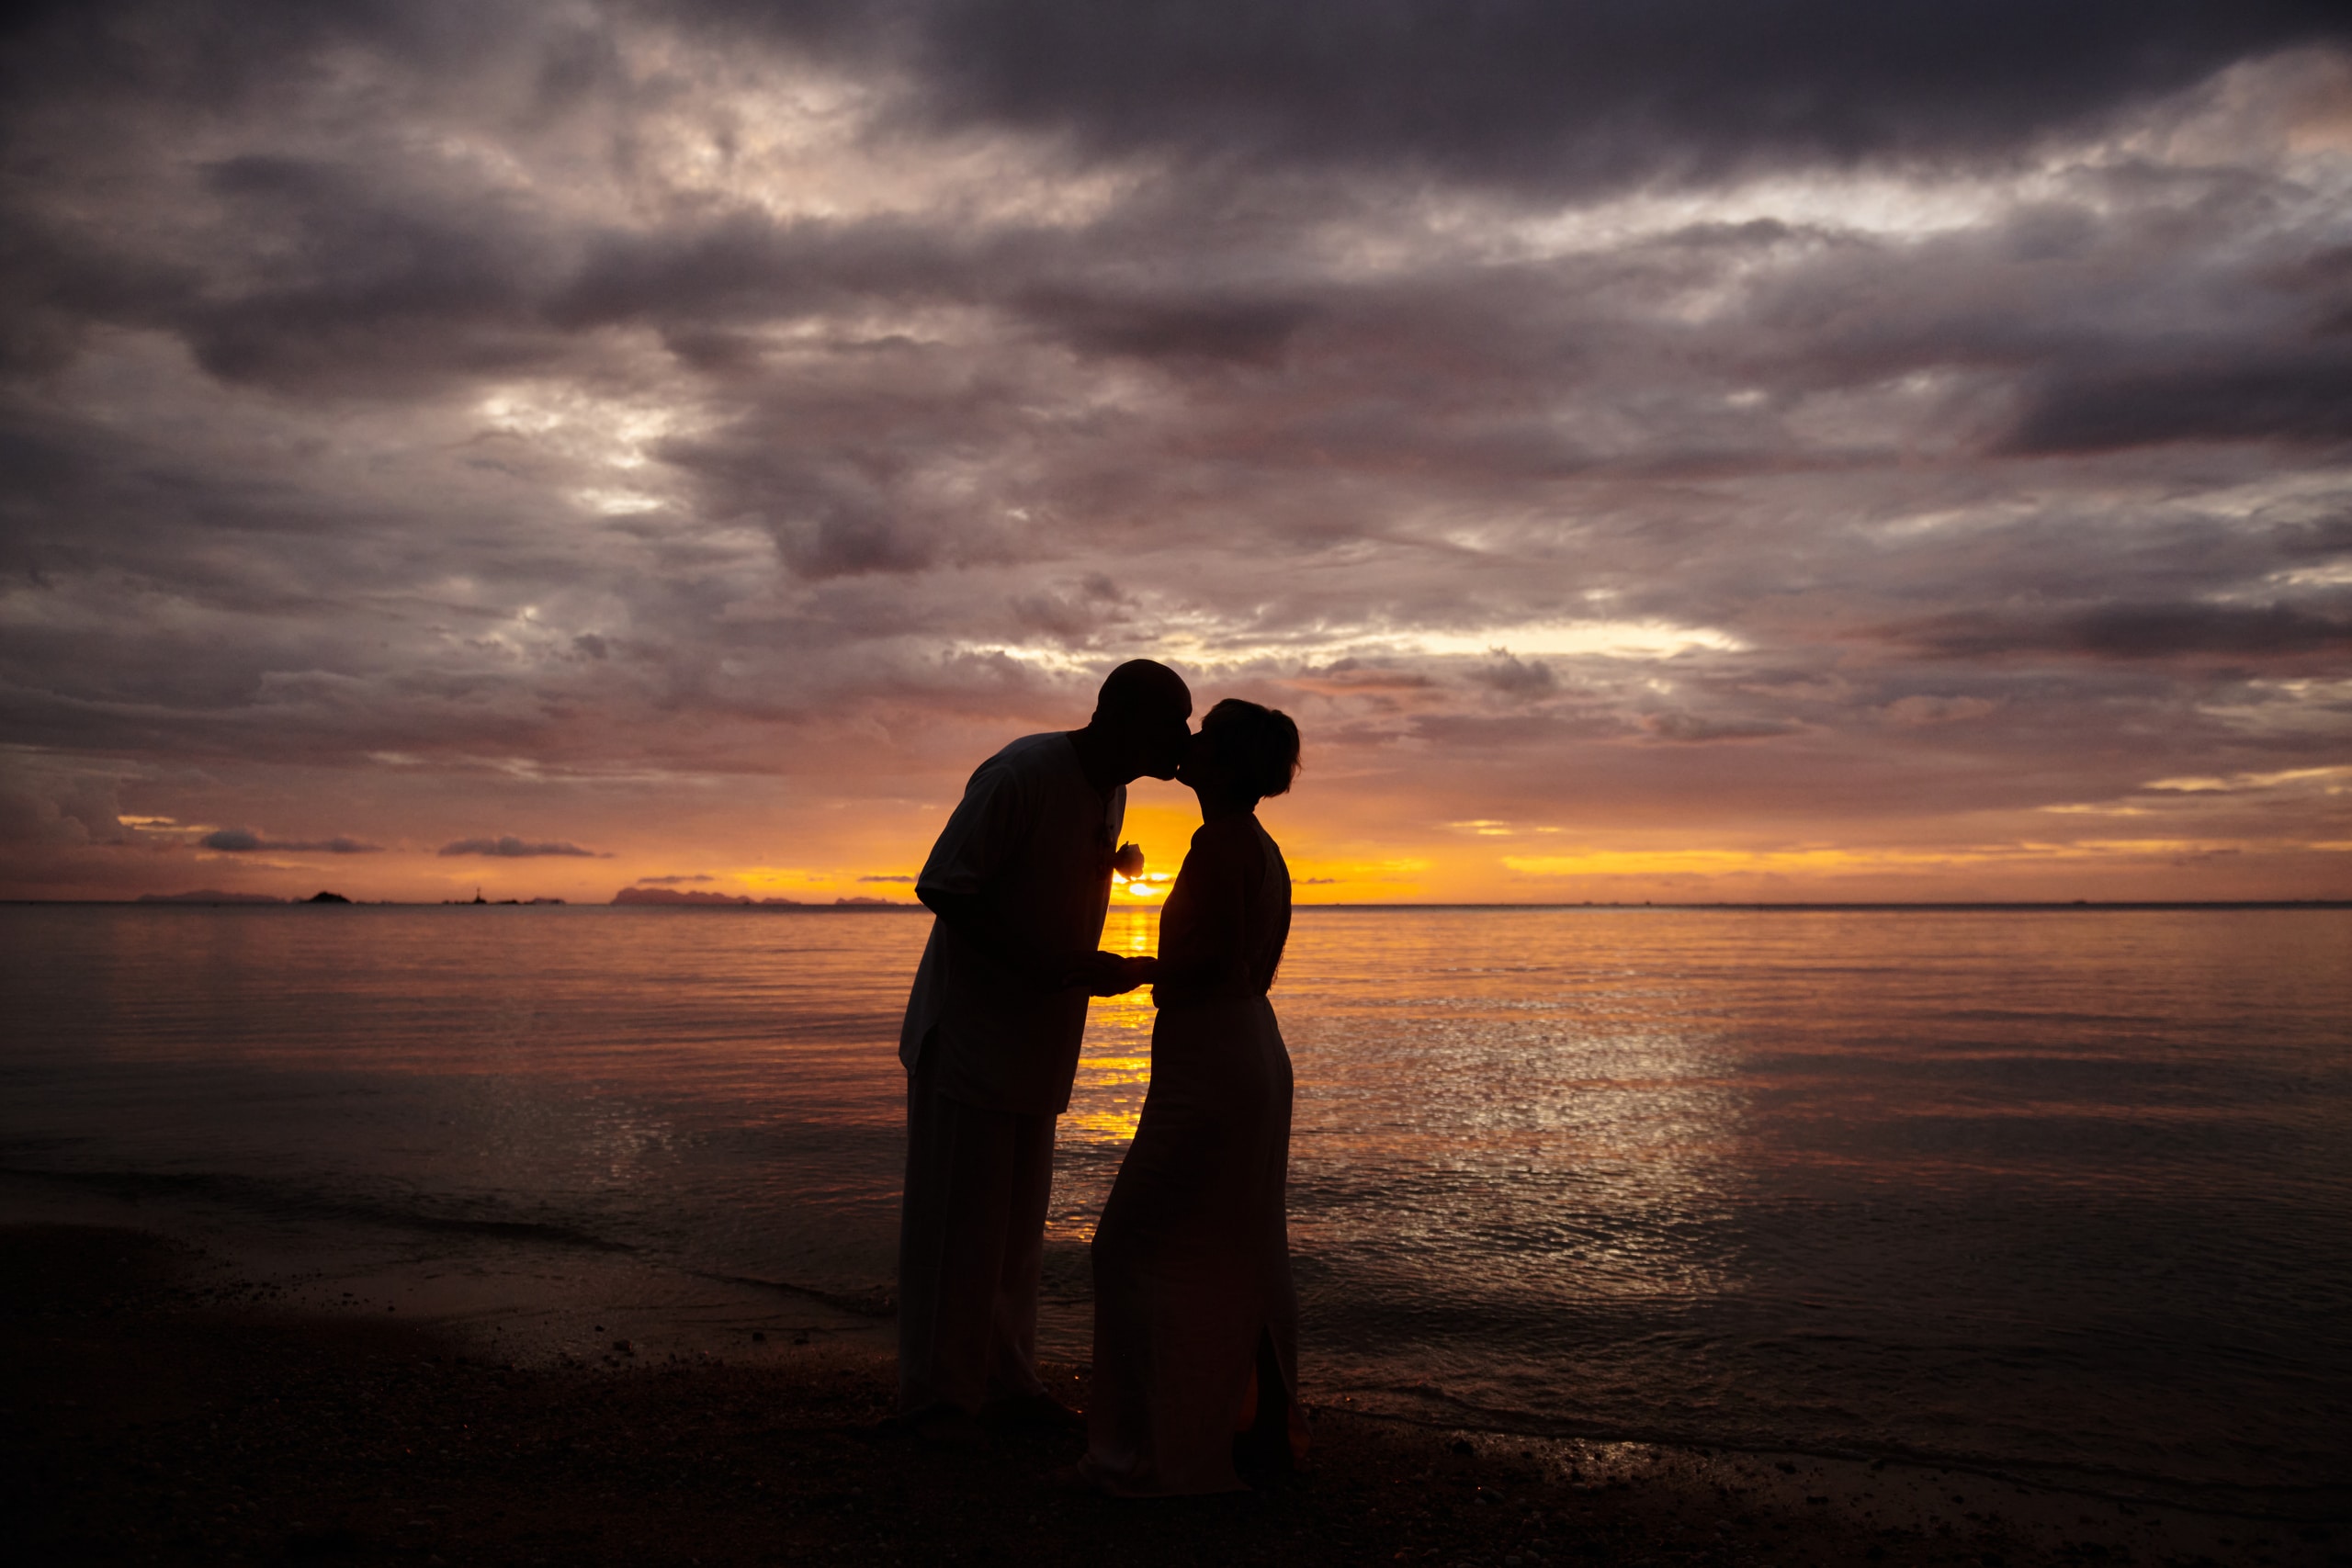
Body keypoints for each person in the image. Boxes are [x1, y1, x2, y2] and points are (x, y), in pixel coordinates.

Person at [895, 660, 1193, 1445]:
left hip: (1038, 1039)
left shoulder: (1110, 790)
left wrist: (1080, 954)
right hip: (968, 1035)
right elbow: (945, 886)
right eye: (1175, 722)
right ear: (1123, 716)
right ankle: (934, 1401)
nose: (1186, 740)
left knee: (1015, 1232)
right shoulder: (1023, 770)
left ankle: (1005, 1382)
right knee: (955, 1226)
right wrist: (1054, 965)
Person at [1081, 697, 1307, 1495]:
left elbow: (1208, 964)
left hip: (1213, 1062)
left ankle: (1159, 1446)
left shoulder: (1219, 846)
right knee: (1245, 1245)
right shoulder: (1261, 849)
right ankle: (1261, 1433)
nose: (1191, 743)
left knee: (1131, 1244)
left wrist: (1130, 970)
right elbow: (1248, 966)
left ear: (1229, 762)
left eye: (1207, 737)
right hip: (1250, 1051)